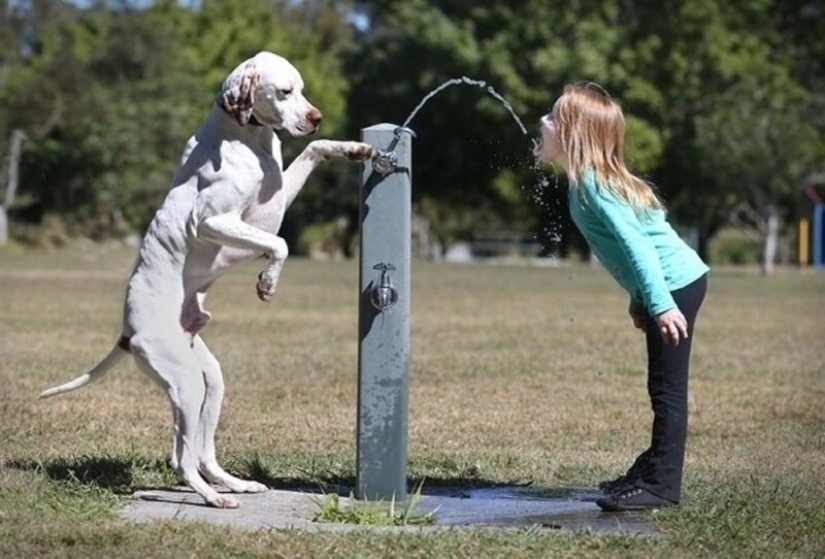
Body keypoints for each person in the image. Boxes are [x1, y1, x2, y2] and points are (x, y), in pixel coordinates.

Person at [534, 83, 709, 511]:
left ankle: (662, 487)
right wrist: (640, 299)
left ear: (574, 134)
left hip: (674, 286)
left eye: (554, 118)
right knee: (660, 386)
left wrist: (661, 303)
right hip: (667, 287)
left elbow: (639, 246)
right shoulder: (585, 182)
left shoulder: (593, 184)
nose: (543, 122)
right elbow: (635, 244)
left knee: (667, 390)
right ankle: (649, 471)